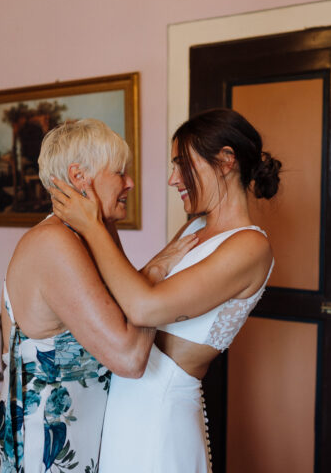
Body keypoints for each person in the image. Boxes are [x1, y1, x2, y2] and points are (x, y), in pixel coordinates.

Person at [49, 108, 280, 473]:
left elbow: (143, 308)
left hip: (158, 411)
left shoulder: (250, 247)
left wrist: (93, 227)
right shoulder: (195, 228)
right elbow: (127, 294)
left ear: (225, 161)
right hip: (125, 394)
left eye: (182, 164)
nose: (173, 179)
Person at [0, 119, 196, 473]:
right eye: (120, 172)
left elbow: (126, 306)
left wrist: (116, 240)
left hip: (80, 439)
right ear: (79, 176)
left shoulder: (90, 236)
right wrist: (160, 273)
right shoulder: (54, 244)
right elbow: (130, 357)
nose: (130, 182)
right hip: (47, 451)